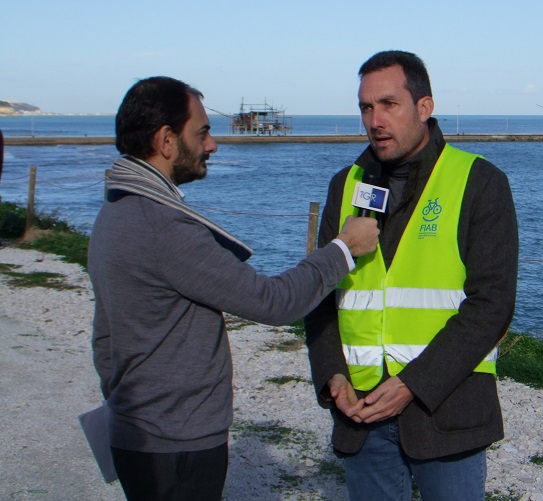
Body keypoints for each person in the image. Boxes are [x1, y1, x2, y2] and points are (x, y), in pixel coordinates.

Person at [87, 76, 378, 501]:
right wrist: (344, 249)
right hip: (178, 442)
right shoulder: (163, 227)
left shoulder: (114, 212)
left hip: (136, 431)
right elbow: (273, 301)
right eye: (202, 132)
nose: (212, 145)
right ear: (167, 140)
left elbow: (104, 339)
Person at [304, 50, 518, 500]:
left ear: (425, 107)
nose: (374, 119)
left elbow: (492, 305)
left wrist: (413, 385)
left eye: (388, 104)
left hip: (447, 408)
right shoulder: (344, 184)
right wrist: (330, 374)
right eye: (366, 107)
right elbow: (321, 293)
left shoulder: (480, 181)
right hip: (360, 412)